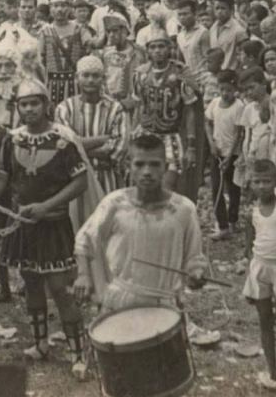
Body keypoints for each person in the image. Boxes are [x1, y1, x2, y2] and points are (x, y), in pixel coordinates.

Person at [0, 79, 90, 378]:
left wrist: (46, 206)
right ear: (17, 108)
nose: (29, 109)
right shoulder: (11, 139)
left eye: (34, 103)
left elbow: (80, 182)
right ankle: (41, 343)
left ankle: (78, 353)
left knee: (60, 288)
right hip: (23, 226)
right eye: (23, 104)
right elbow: (0, 180)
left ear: (46, 104)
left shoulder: (63, 139)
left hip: (54, 225)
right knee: (30, 283)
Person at [73, 133, 206, 312]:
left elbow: (193, 258)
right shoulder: (114, 203)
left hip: (165, 306)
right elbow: (85, 240)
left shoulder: (184, 209)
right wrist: (83, 275)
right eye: (140, 164)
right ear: (129, 166)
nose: (147, 172)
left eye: (154, 164)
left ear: (165, 167)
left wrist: (195, 275)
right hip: (120, 302)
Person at [131, 6, 198, 191]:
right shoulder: (140, 74)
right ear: (148, 50)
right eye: (153, 47)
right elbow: (138, 106)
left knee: (167, 187)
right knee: (143, 186)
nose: (158, 51)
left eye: (161, 46)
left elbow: (190, 110)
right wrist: (132, 134)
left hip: (171, 137)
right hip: (145, 134)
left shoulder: (178, 73)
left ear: (169, 48)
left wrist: (191, 146)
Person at [240, 160, 276, 390]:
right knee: (264, 321)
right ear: (250, 183)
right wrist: (250, 266)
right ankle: (272, 370)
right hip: (260, 267)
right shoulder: (252, 211)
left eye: (267, 181)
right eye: (257, 182)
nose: (262, 186)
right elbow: (250, 241)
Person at [55, 55, 130, 198]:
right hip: (73, 181)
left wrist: (77, 148)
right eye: (86, 75)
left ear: (103, 79)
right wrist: (104, 139)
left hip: (107, 179)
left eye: (96, 76)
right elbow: (63, 147)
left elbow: (119, 149)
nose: (90, 80)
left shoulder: (116, 109)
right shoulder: (64, 108)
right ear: (77, 78)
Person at [205, 69, 245, 239]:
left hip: (232, 154)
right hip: (217, 152)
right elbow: (208, 123)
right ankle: (222, 225)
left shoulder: (239, 107)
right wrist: (211, 144)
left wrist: (229, 157)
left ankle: (233, 220)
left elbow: (238, 133)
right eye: (222, 89)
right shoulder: (214, 103)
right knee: (216, 188)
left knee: (233, 188)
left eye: (228, 90)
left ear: (235, 89)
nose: (225, 93)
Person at [39, 0, 85, 105]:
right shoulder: (45, 31)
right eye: (56, 6)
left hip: (74, 82)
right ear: (50, 9)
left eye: (63, 6)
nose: (59, 10)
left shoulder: (79, 29)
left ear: (70, 8)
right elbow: (40, 59)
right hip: (51, 83)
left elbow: (89, 51)